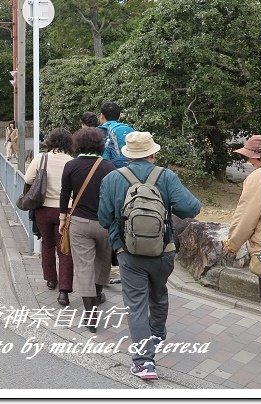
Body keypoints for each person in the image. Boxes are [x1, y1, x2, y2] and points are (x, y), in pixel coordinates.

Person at [98, 132, 201, 381]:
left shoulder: (113, 178)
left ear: (128, 155)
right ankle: (156, 334)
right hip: (163, 251)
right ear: (152, 153)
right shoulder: (166, 177)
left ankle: (144, 363)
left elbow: (103, 218)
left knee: (136, 305)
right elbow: (192, 208)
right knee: (158, 291)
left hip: (128, 253)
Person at [59, 127, 116, 333]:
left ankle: (90, 316)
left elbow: (65, 195)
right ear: (100, 146)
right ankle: (98, 295)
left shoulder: (71, 166)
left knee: (84, 267)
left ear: (78, 145)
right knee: (102, 264)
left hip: (80, 224)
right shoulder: (109, 166)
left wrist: (62, 219)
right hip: (105, 224)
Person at [25, 128, 75, 306]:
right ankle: (64, 291)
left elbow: (28, 179)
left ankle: (50, 279)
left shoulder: (41, 158)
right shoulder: (71, 161)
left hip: (43, 210)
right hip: (66, 211)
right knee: (64, 249)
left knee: (47, 244)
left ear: (51, 141)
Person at [224, 135, 261, 322]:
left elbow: (246, 217)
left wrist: (232, 244)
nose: (248, 161)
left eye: (250, 156)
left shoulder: (259, 177)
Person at [98, 102, 134, 167]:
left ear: (101, 116)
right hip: (131, 169)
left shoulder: (96, 133)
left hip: (108, 170)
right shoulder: (129, 129)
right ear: (119, 117)